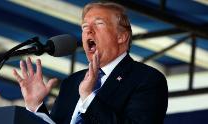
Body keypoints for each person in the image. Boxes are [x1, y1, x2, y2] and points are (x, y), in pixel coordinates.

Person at [12, 2, 168, 124]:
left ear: (122, 36)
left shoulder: (147, 79)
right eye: (84, 26)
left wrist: (88, 98)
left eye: (99, 24)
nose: (88, 31)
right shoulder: (72, 82)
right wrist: (36, 107)